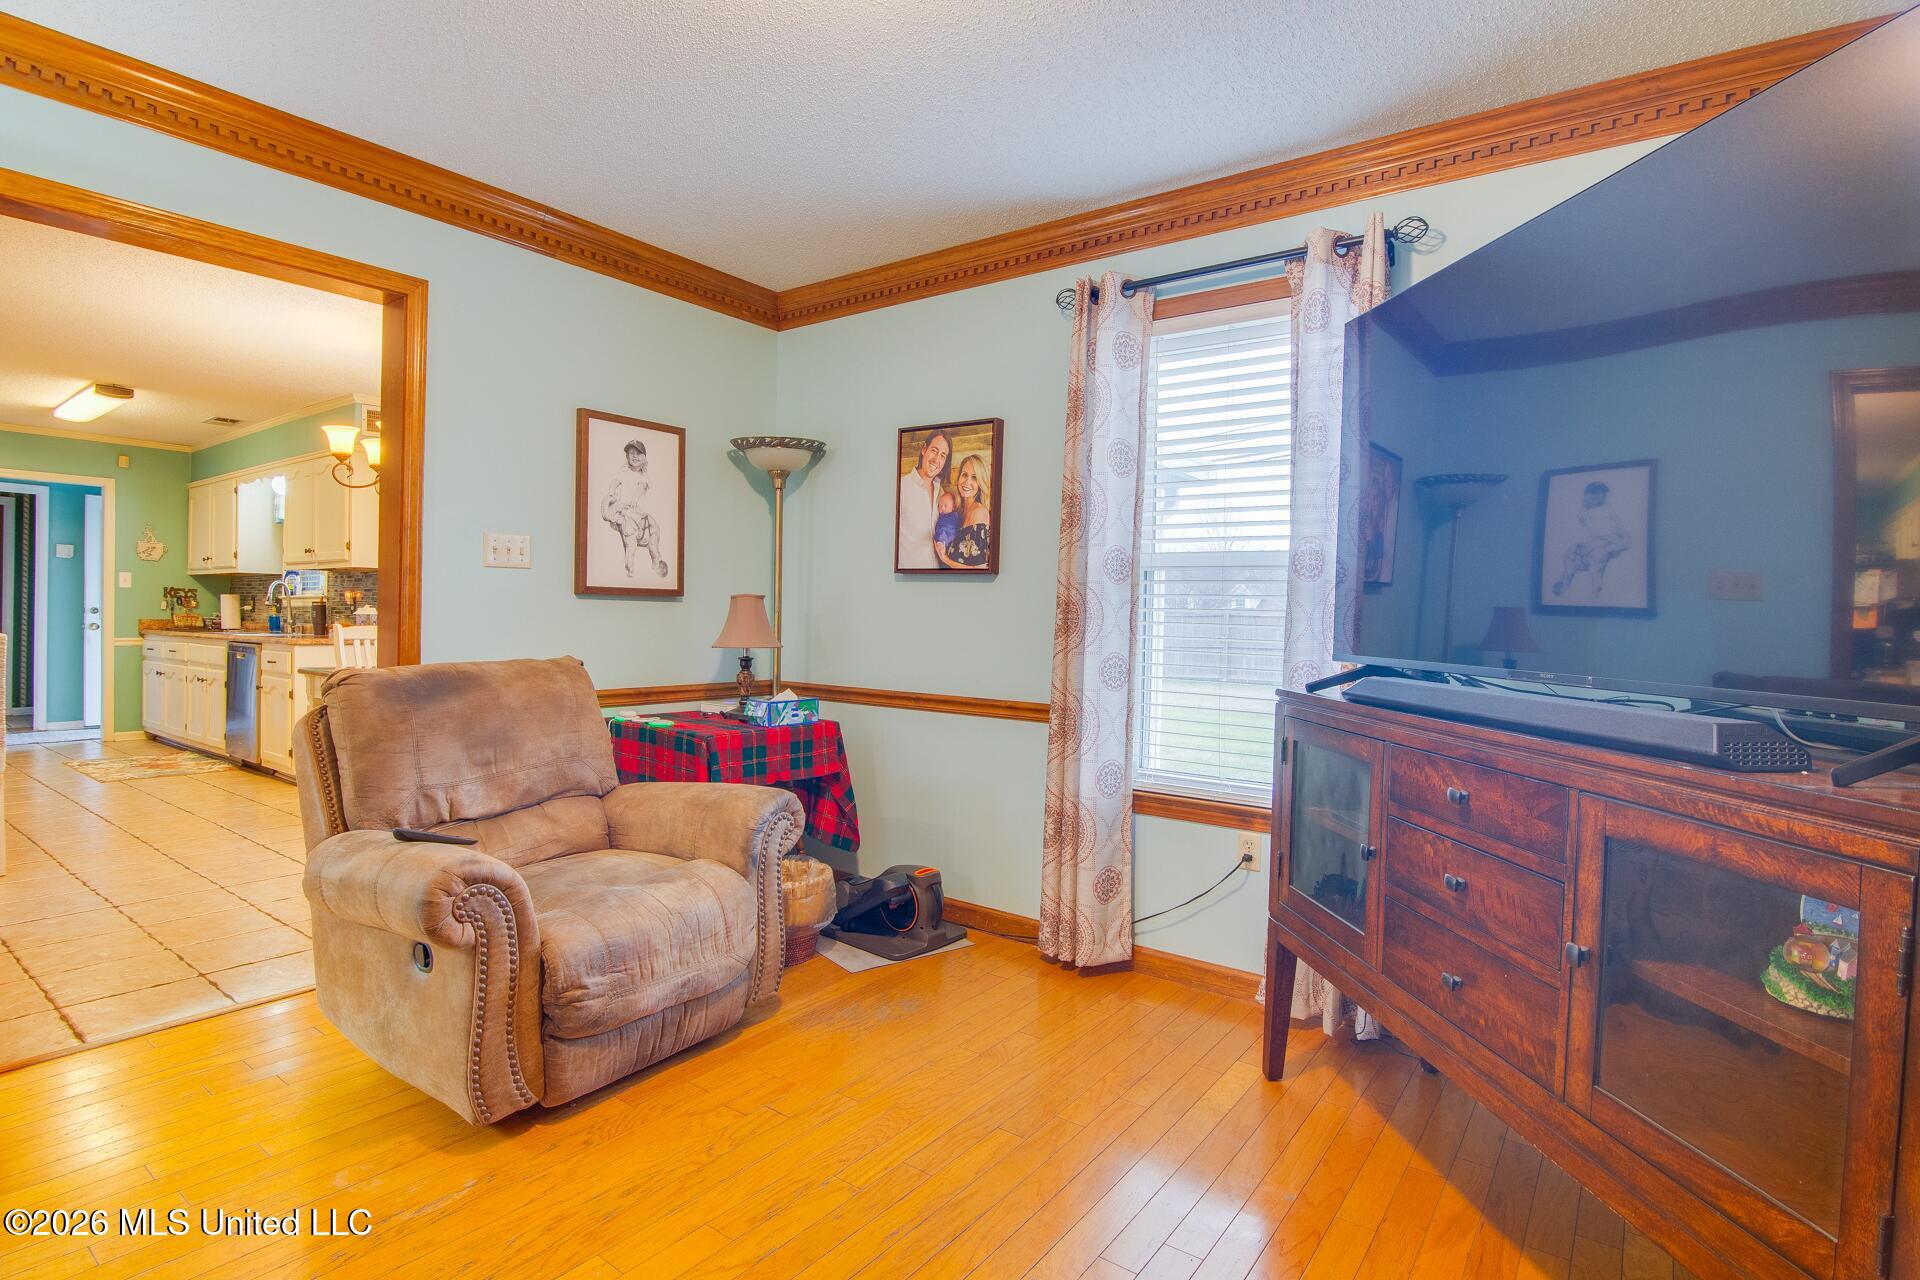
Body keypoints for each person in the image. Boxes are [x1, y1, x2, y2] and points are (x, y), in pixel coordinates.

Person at [601, 438, 669, 580]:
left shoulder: (643, 475)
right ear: (627, 457)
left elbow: (641, 487)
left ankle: (652, 564)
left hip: (634, 510)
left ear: (644, 458)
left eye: (638, 453)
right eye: (631, 453)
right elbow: (616, 481)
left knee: (650, 546)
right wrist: (611, 491)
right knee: (617, 519)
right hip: (623, 508)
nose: (634, 456)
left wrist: (632, 500)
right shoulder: (623, 471)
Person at [1553, 480, 1629, 599]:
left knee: (1596, 561)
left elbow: (1623, 532)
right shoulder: (1582, 511)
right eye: (1591, 493)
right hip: (1588, 542)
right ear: (1586, 495)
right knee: (1570, 556)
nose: (1595, 496)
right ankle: (1565, 583)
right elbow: (1580, 530)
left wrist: (1617, 545)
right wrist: (1579, 541)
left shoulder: (1611, 511)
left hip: (1605, 542)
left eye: (1600, 493)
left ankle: (1596, 589)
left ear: (1604, 495)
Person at [896, 430, 950, 569]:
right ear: (924, 449)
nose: (937, 459)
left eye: (943, 456)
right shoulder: (901, 487)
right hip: (908, 579)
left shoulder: (941, 493)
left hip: (937, 580)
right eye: (934, 450)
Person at [935, 453, 993, 569]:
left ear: (981, 483)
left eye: (974, 478)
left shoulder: (979, 513)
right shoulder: (958, 511)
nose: (967, 482)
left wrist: (944, 559)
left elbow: (979, 569)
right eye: (964, 475)